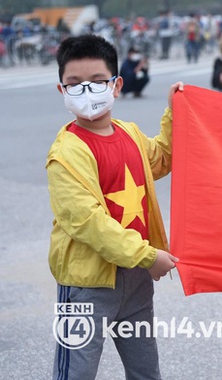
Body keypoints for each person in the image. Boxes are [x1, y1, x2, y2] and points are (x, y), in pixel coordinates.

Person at [48, 34, 181, 379]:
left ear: (116, 85)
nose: (87, 91)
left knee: (145, 371)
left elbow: (163, 158)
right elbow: (87, 221)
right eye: (74, 84)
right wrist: (149, 256)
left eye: (97, 81)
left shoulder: (130, 134)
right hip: (87, 284)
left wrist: (176, 113)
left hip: (136, 280)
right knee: (75, 373)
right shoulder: (66, 154)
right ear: (62, 91)